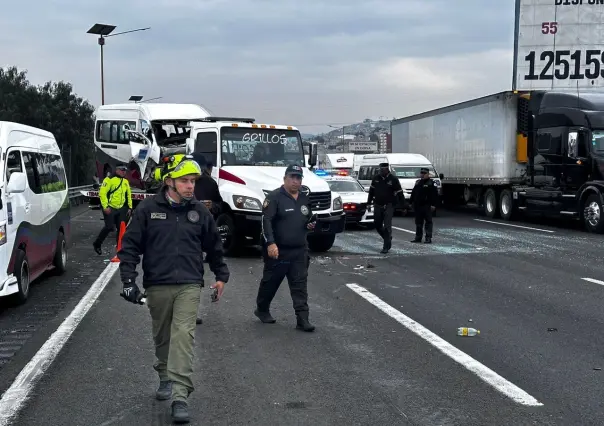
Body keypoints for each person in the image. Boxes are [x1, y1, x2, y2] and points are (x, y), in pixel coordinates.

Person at [117, 154, 229, 424]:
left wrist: (221, 275)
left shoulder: (199, 212)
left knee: (183, 335)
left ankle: (180, 394)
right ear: (169, 181)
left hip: (190, 284)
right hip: (157, 284)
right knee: (163, 337)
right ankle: (164, 374)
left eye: (193, 181)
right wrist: (129, 281)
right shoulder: (147, 210)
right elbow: (129, 247)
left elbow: (214, 245)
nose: (191, 186)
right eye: (185, 181)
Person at [255, 164, 316, 332]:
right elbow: (265, 221)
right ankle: (262, 308)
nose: (295, 181)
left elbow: (307, 218)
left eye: (298, 178)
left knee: (300, 285)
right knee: (271, 283)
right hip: (278, 251)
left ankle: (302, 318)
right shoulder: (274, 197)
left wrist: (311, 225)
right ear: (285, 179)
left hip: (299, 250)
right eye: (292, 178)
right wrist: (270, 243)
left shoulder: (304, 198)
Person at [191, 158, 224, 325]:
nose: (189, 184)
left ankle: (190, 310)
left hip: (201, 233)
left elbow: (221, 205)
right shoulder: (174, 184)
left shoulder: (209, 184)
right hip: (178, 236)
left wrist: (212, 206)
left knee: (195, 275)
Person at [93, 164, 132, 255]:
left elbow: (128, 195)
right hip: (110, 207)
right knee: (109, 227)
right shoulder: (109, 180)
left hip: (121, 208)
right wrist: (105, 207)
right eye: (122, 170)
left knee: (121, 228)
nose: (124, 172)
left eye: (125, 170)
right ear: (117, 170)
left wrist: (130, 207)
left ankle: (119, 248)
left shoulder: (125, 181)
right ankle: (97, 244)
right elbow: (102, 194)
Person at [366, 162, 405, 254]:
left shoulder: (393, 179)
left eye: (383, 170)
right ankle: (387, 237)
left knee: (387, 225)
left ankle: (386, 246)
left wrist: (404, 206)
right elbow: (371, 192)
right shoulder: (376, 178)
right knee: (377, 224)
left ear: (387, 170)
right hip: (377, 204)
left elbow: (400, 193)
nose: (381, 171)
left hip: (389, 205)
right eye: (380, 170)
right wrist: (368, 203)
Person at [409, 167, 439, 243]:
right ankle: (418, 237)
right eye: (421, 173)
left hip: (427, 205)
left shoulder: (431, 183)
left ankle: (428, 238)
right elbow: (413, 193)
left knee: (428, 222)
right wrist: (410, 202)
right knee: (418, 223)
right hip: (418, 205)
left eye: (424, 173)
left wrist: (434, 205)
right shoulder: (418, 182)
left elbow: (435, 195)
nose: (422, 175)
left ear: (428, 174)